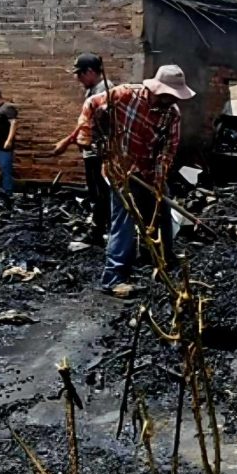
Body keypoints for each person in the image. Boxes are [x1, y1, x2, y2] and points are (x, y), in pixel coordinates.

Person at [73, 64, 196, 297]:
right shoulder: (125, 95)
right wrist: (85, 133)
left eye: (175, 96)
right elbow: (91, 104)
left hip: (148, 171)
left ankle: (160, 262)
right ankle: (114, 279)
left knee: (161, 214)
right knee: (125, 222)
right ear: (157, 90)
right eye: (169, 95)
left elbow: (168, 149)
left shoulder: (172, 113)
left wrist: (158, 179)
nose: (172, 100)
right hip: (121, 169)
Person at [52, 53, 111, 244]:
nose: (78, 79)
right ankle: (102, 228)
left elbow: (91, 124)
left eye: (80, 74)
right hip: (91, 150)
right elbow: (84, 122)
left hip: (99, 152)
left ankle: (99, 231)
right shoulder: (92, 90)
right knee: (95, 192)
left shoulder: (103, 92)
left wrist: (68, 141)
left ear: (91, 72)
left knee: (102, 193)